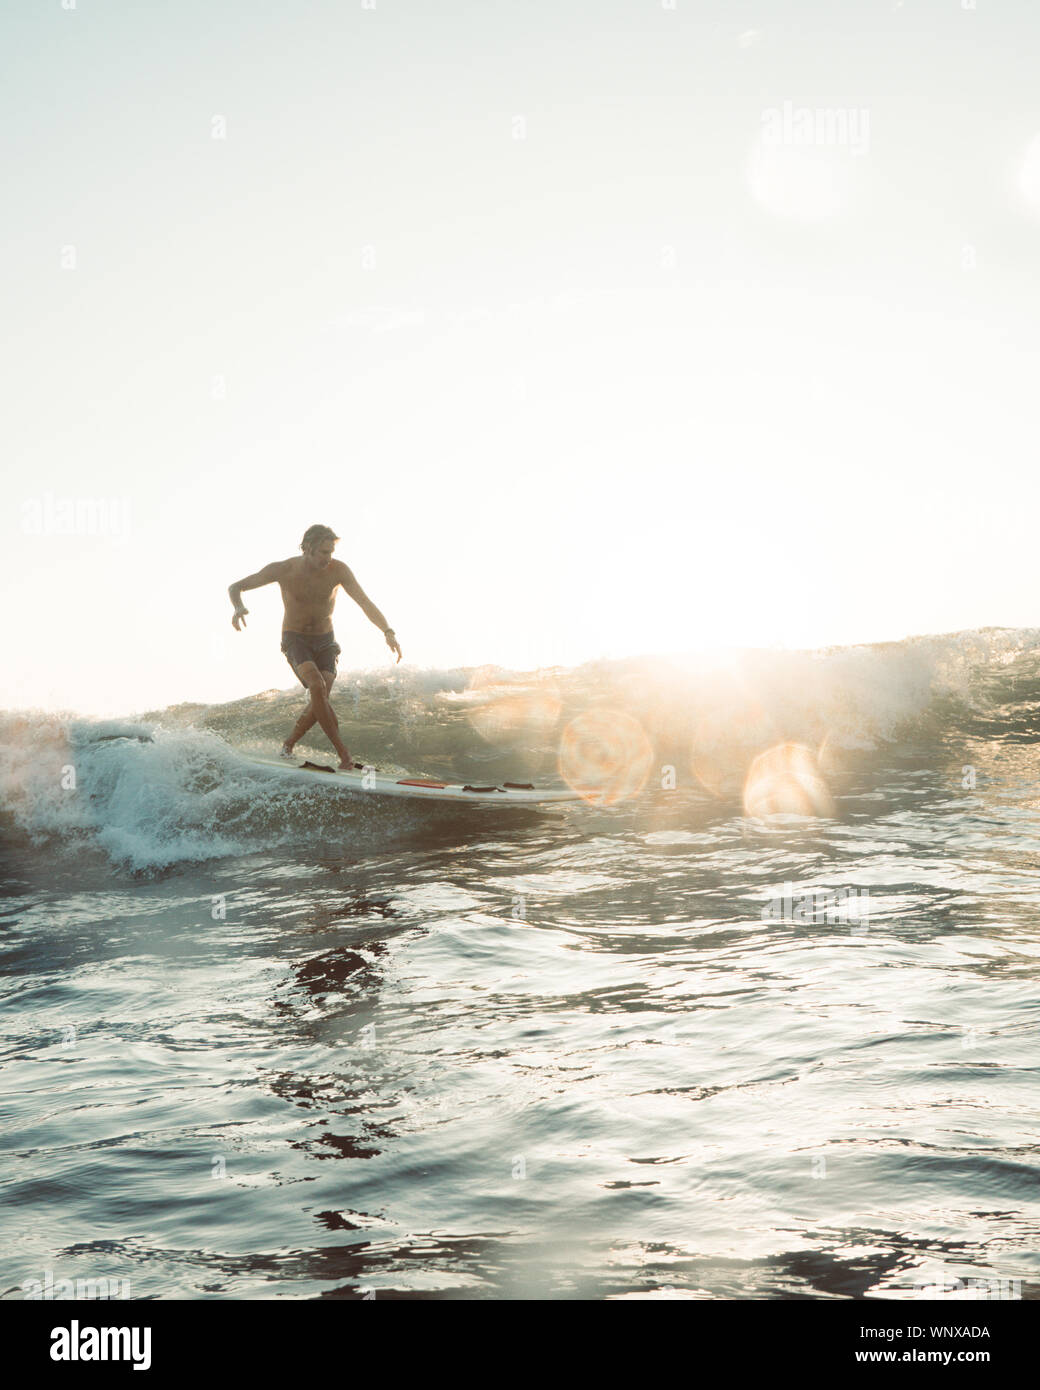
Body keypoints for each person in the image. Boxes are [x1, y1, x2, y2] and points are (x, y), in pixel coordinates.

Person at [228, 524, 402, 769]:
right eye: (323, 552)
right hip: (295, 639)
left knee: (321, 695)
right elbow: (235, 587)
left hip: (325, 641)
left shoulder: (338, 571)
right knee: (317, 686)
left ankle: (288, 744)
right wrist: (238, 607)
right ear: (307, 548)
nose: (328, 558)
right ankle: (345, 755)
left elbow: (364, 602)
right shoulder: (284, 569)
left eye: (331, 552)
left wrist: (388, 631)